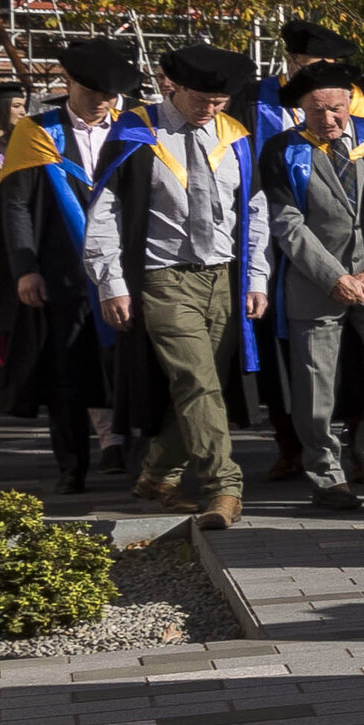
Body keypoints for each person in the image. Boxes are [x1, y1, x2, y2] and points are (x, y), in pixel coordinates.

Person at [85, 43, 273, 525]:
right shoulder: (136, 133)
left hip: (223, 278)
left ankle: (156, 472)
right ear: (175, 85)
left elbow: (252, 211)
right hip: (163, 278)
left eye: (220, 101)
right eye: (201, 99)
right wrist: (111, 283)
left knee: (199, 387)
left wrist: (256, 276)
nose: (210, 110)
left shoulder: (234, 136)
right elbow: (104, 212)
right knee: (197, 383)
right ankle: (224, 488)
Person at [0, 38, 163, 493]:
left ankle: (138, 464)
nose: (103, 105)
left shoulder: (135, 128)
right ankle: (72, 466)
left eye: (110, 97)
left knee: (131, 369)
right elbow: (15, 206)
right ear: (67, 83)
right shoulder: (36, 133)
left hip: (130, 270)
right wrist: (25, 267)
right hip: (63, 273)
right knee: (66, 373)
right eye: (93, 96)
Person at [267, 59, 364, 513]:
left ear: (351, 102)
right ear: (301, 110)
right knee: (314, 387)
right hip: (316, 282)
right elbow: (287, 223)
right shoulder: (284, 149)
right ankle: (327, 474)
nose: (328, 119)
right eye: (316, 110)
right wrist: (335, 277)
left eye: (336, 108)